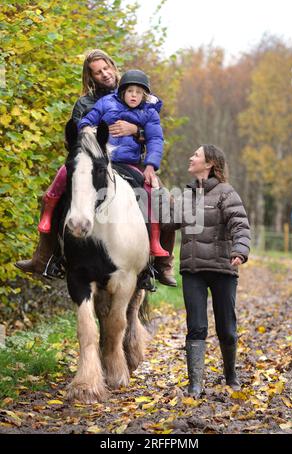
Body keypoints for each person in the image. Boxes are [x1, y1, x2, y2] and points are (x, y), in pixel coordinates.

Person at [15, 50, 176, 286]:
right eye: (98, 72)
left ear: (113, 65)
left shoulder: (136, 91)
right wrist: (90, 136)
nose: (105, 74)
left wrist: (136, 131)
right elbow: (74, 136)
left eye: (106, 68)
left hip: (132, 162)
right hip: (92, 162)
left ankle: (161, 264)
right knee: (57, 191)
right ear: (90, 77)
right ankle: (44, 256)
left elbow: (155, 134)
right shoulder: (86, 103)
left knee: (165, 201)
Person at [160, 145, 250, 396]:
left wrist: (240, 250)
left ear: (209, 163)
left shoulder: (226, 193)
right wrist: (159, 199)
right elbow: (168, 223)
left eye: (196, 155)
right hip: (193, 270)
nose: (191, 158)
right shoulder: (187, 196)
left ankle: (231, 376)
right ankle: (195, 384)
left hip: (223, 268)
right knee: (196, 326)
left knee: (226, 327)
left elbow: (240, 225)